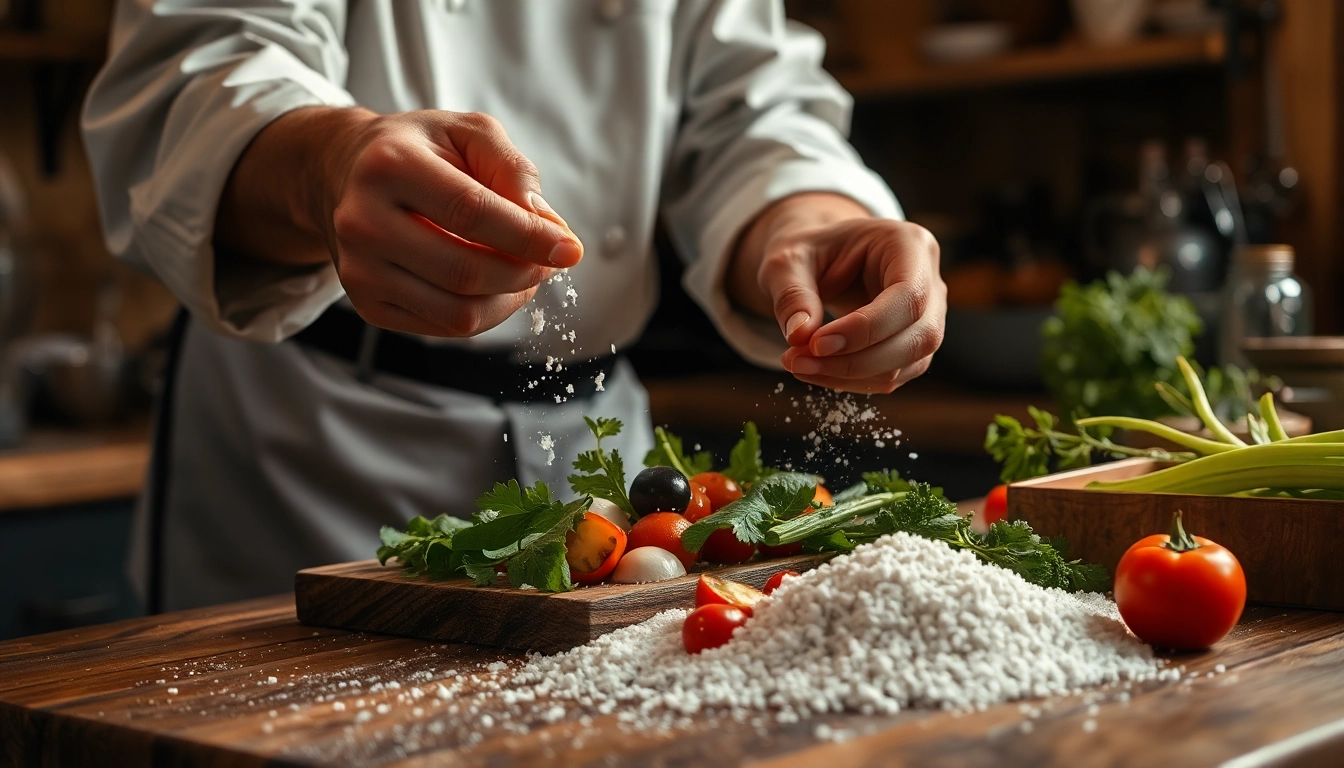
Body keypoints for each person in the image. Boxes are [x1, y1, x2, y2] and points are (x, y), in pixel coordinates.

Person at [82, 0, 946, 612]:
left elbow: (749, 104)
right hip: (316, 443)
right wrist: (329, 163)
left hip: (595, 446)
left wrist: (810, 222)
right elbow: (191, 80)